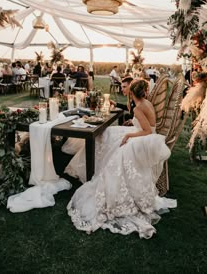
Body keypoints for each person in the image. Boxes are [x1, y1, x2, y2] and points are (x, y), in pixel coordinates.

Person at [65, 79, 175, 239]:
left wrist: (130, 134)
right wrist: (133, 124)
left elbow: (146, 132)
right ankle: (96, 163)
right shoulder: (147, 103)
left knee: (116, 146)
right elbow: (148, 125)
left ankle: (97, 169)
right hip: (149, 135)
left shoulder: (138, 108)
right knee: (110, 134)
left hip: (145, 139)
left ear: (132, 93)